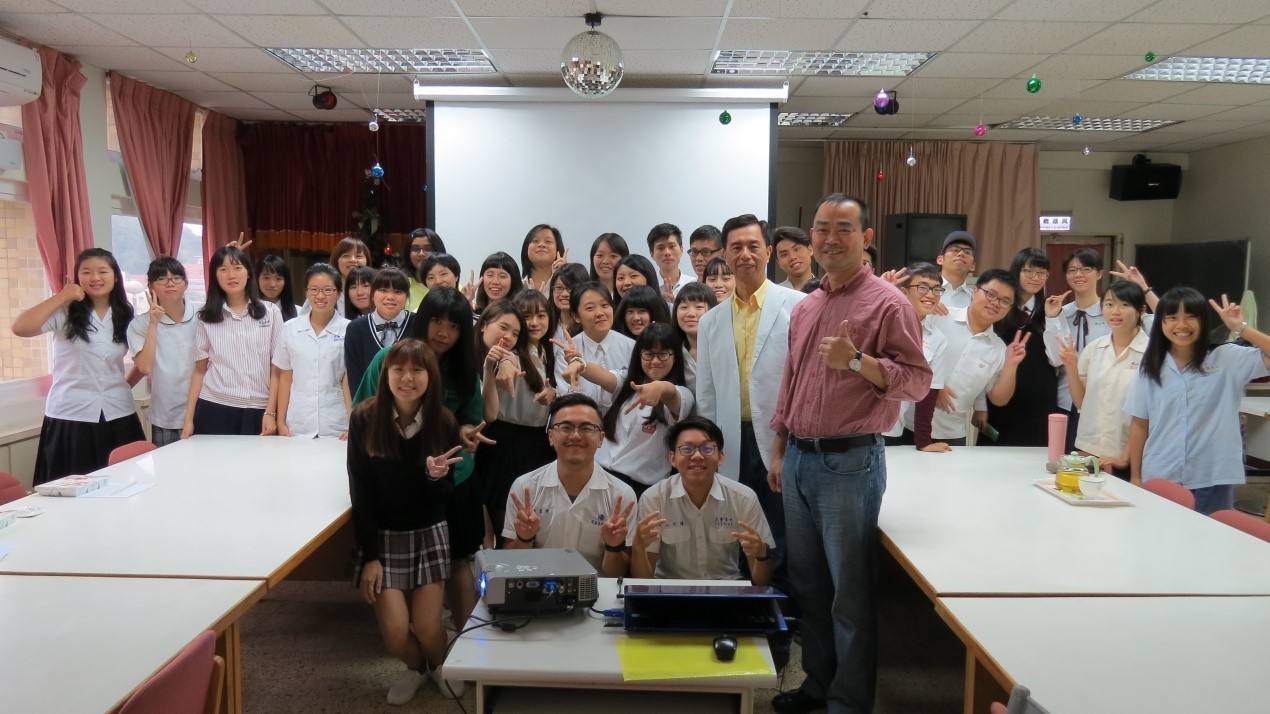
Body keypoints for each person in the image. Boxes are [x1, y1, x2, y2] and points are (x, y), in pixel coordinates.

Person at [769, 194, 932, 714]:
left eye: (843, 228)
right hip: (797, 458)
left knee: (849, 593)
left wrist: (859, 361)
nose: (829, 239)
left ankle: (848, 701)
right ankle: (818, 684)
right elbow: (790, 382)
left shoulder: (888, 303)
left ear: (865, 238)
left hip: (849, 464)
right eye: (821, 229)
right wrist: (779, 449)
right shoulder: (807, 305)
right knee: (809, 585)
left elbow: (918, 382)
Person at [355, 287, 490, 631]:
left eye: (454, 326)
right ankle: (420, 642)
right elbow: (364, 412)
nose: (443, 332)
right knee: (407, 571)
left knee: (460, 561)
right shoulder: (388, 359)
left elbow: (471, 418)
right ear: (421, 320)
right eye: (436, 321)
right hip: (399, 483)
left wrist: (466, 434)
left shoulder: (463, 369)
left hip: (453, 478)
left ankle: (465, 643)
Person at [347, 339, 466, 704]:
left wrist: (433, 478)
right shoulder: (365, 418)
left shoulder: (443, 421)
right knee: (397, 634)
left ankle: (440, 664)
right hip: (383, 537)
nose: (407, 378)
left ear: (430, 376)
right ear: (385, 375)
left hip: (429, 531)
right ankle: (419, 671)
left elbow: (445, 497)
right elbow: (360, 490)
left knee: (429, 627)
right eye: (398, 369)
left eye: (417, 370)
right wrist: (369, 555)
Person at [696, 213, 805, 593]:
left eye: (753, 246)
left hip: (780, 440)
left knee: (782, 529)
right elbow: (706, 394)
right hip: (731, 441)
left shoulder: (798, 306)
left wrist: (787, 441)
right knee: (736, 528)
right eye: (736, 247)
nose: (745, 254)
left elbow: (804, 381)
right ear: (725, 253)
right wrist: (710, 448)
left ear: (768, 251)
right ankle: (742, 604)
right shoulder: (710, 321)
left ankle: (782, 612)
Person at [1127, 287, 1270, 515]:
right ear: (1161, 323)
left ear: (1203, 321)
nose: (1181, 325)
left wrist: (1240, 328)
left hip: (1211, 476)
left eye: (1190, 317)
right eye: (1172, 318)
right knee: (1160, 541)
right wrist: (1135, 476)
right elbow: (1139, 423)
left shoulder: (1226, 358)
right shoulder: (1152, 366)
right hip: (1161, 473)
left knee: (1210, 544)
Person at [12, 248, 145, 484]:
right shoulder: (64, 311)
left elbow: (142, 362)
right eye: (87, 272)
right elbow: (20, 328)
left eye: (103, 271)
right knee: (72, 489)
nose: (95, 278)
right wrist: (61, 296)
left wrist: (122, 385)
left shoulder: (125, 313)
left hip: (118, 412)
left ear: (115, 277)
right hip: (72, 414)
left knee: (124, 485)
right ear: (77, 277)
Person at [502, 393, 637, 576]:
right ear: (550, 436)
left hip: (596, 592)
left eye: (586, 428)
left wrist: (613, 548)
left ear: (601, 438)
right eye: (565, 427)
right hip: (538, 589)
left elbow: (616, 576)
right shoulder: (524, 487)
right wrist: (524, 538)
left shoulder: (622, 495)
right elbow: (512, 565)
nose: (575, 436)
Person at [631, 416, 774, 583]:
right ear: (672, 458)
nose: (697, 456)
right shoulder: (654, 498)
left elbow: (762, 582)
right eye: (686, 449)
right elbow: (643, 581)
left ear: (720, 457)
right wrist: (638, 548)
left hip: (726, 593)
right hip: (670, 593)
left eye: (707, 448)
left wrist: (763, 555)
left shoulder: (744, 497)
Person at [561, 323, 694, 498]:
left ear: (675, 357)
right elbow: (603, 376)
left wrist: (660, 387)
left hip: (642, 489)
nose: (655, 361)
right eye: (648, 354)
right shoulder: (628, 382)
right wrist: (579, 363)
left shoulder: (683, 395)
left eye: (663, 354)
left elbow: (672, 394)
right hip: (599, 477)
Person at [476, 293, 558, 538]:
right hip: (504, 443)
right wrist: (505, 365)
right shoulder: (510, 353)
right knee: (507, 525)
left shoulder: (546, 352)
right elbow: (505, 363)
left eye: (541, 315)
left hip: (536, 443)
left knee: (532, 524)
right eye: (527, 317)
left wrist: (553, 393)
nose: (534, 322)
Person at [183, 245, 284, 438]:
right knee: (216, 468)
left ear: (248, 274)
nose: (231, 275)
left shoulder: (270, 312)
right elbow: (199, 370)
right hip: (214, 406)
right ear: (215, 276)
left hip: (259, 408)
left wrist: (271, 412)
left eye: (237, 268)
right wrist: (188, 419)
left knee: (258, 467)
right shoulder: (206, 317)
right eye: (223, 269)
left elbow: (277, 368)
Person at [1060, 280, 1148, 479]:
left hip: (1128, 457)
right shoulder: (1095, 348)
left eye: (1124, 305)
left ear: (1141, 310)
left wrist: (1125, 456)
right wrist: (1072, 369)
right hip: (1088, 449)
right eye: (1109, 304)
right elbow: (1081, 402)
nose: (1115, 311)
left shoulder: (1151, 354)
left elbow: (1147, 415)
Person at [931, 269, 1029, 447]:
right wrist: (934, 385)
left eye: (1005, 301)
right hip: (911, 423)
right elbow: (911, 355)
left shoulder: (999, 348)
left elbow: (999, 399)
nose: (996, 303)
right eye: (991, 294)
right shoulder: (940, 317)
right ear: (975, 291)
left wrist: (1011, 365)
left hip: (953, 435)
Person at [984, 248, 1058, 447]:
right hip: (1000, 393)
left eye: (1041, 273)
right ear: (1017, 271)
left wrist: (1052, 319)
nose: (1035, 277)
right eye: (1029, 271)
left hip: (1039, 396)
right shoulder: (998, 307)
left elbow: (1057, 357)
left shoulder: (1050, 310)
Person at [128, 257, 202, 448]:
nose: (170, 283)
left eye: (176, 278)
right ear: (150, 286)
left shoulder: (202, 313)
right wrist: (154, 323)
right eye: (161, 279)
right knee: (169, 474)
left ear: (185, 283)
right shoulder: (140, 324)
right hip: (167, 415)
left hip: (206, 408)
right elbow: (144, 367)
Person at [274, 263, 351, 439]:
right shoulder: (290, 328)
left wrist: (353, 422)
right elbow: (285, 377)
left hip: (337, 425)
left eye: (328, 290)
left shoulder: (349, 329)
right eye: (314, 289)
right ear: (306, 292)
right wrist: (280, 421)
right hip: (298, 424)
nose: (320, 296)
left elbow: (349, 380)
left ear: (338, 293)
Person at [880, 262, 950, 451]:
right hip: (857, 423)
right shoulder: (882, 320)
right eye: (922, 287)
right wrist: (881, 289)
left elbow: (929, 393)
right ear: (903, 292)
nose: (930, 295)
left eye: (936, 289)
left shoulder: (937, 339)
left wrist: (924, 442)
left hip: (892, 429)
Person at [1043, 248, 1108, 451]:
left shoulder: (1112, 313)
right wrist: (1052, 319)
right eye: (1072, 270)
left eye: (1085, 269)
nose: (1078, 275)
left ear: (1099, 274)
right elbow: (1055, 360)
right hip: (1065, 402)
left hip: (1102, 405)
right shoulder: (1061, 312)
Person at [550, 281, 635, 413]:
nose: (600, 313)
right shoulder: (566, 352)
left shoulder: (632, 347)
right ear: (576, 316)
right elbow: (566, 397)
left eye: (605, 305)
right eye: (590, 308)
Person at [344, 267, 413, 398]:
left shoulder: (417, 323)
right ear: (372, 295)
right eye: (383, 290)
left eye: (398, 292)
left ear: (407, 296)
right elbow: (355, 378)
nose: (390, 297)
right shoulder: (356, 328)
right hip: (369, 409)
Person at [672, 282, 717, 393]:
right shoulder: (672, 352)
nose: (691, 313)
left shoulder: (724, 348)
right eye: (684, 307)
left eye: (698, 307)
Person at [647, 223, 694, 303]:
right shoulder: (648, 287)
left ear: (681, 249)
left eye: (672, 246)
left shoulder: (694, 284)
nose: (667, 253)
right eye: (660, 248)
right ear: (652, 254)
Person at [329, 236, 372, 316]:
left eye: (358, 256)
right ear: (336, 260)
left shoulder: (378, 288)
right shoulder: (325, 292)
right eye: (345, 256)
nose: (352, 260)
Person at [471, 251, 523, 316]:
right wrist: (464, 302)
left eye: (502, 276)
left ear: (513, 280)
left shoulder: (520, 316)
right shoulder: (472, 313)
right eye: (490, 275)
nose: (495, 282)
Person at [405, 228, 445, 310]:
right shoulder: (403, 286)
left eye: (428, 249)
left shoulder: (451, 284)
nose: (421, 254)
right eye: (415, 249)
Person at [548, 263, 590, 340]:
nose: (564, 294)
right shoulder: (546, 324)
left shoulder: (592, 326)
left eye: (570, 288)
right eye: (559, 288)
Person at [937, 230, 977, 309]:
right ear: (940, 260)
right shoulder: (923, 291)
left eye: (968, 252)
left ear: (973, 266)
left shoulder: (975, 299)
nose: (961, 254)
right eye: (955, 250)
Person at [520, 223, 565, 293]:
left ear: (558, 248)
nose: (541, 245)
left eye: (548, 241)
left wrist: (565, 275)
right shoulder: (517, 287)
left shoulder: (571, 286)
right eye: (535, 241)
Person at [256, 254, 297, 321]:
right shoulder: (248, 312)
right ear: (257, 279)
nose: (272, 284)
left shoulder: (299, 312)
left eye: (278, 279)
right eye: (266, 278)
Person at [774, 226, 815, 291]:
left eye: (796, 249)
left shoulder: (827, 290)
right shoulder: (774, 294)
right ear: (779, 263)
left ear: (810, 250)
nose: (792, 257)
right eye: (784, 254)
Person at [589, 232, 629, 297]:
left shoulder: (630, 294)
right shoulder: (584, 295)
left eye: (613, 256)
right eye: (600, 255)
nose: (605, 261)